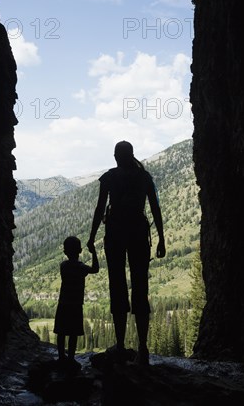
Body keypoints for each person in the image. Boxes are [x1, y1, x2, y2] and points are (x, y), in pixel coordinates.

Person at [87, 141, 166, 366]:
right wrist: (161, 238)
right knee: (141, 286)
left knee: (117, 285)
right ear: (131, 155)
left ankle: (120, 345)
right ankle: (143, 348)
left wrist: (92, 237)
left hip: (115, 234)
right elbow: (155, 207)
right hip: (139, 233)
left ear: (116, 156)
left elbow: (100, 208)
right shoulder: (144, 177)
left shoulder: (110, 177)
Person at [53, 235, 99, 370]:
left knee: (61, 332)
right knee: (73, 333)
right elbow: (95, 269)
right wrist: (94, 252)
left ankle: (61, 357)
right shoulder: (81, 267)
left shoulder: (63, 266)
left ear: (65, 252)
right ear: (79, 251)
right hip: (76, 304)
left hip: (63, 303)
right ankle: (71, 358)